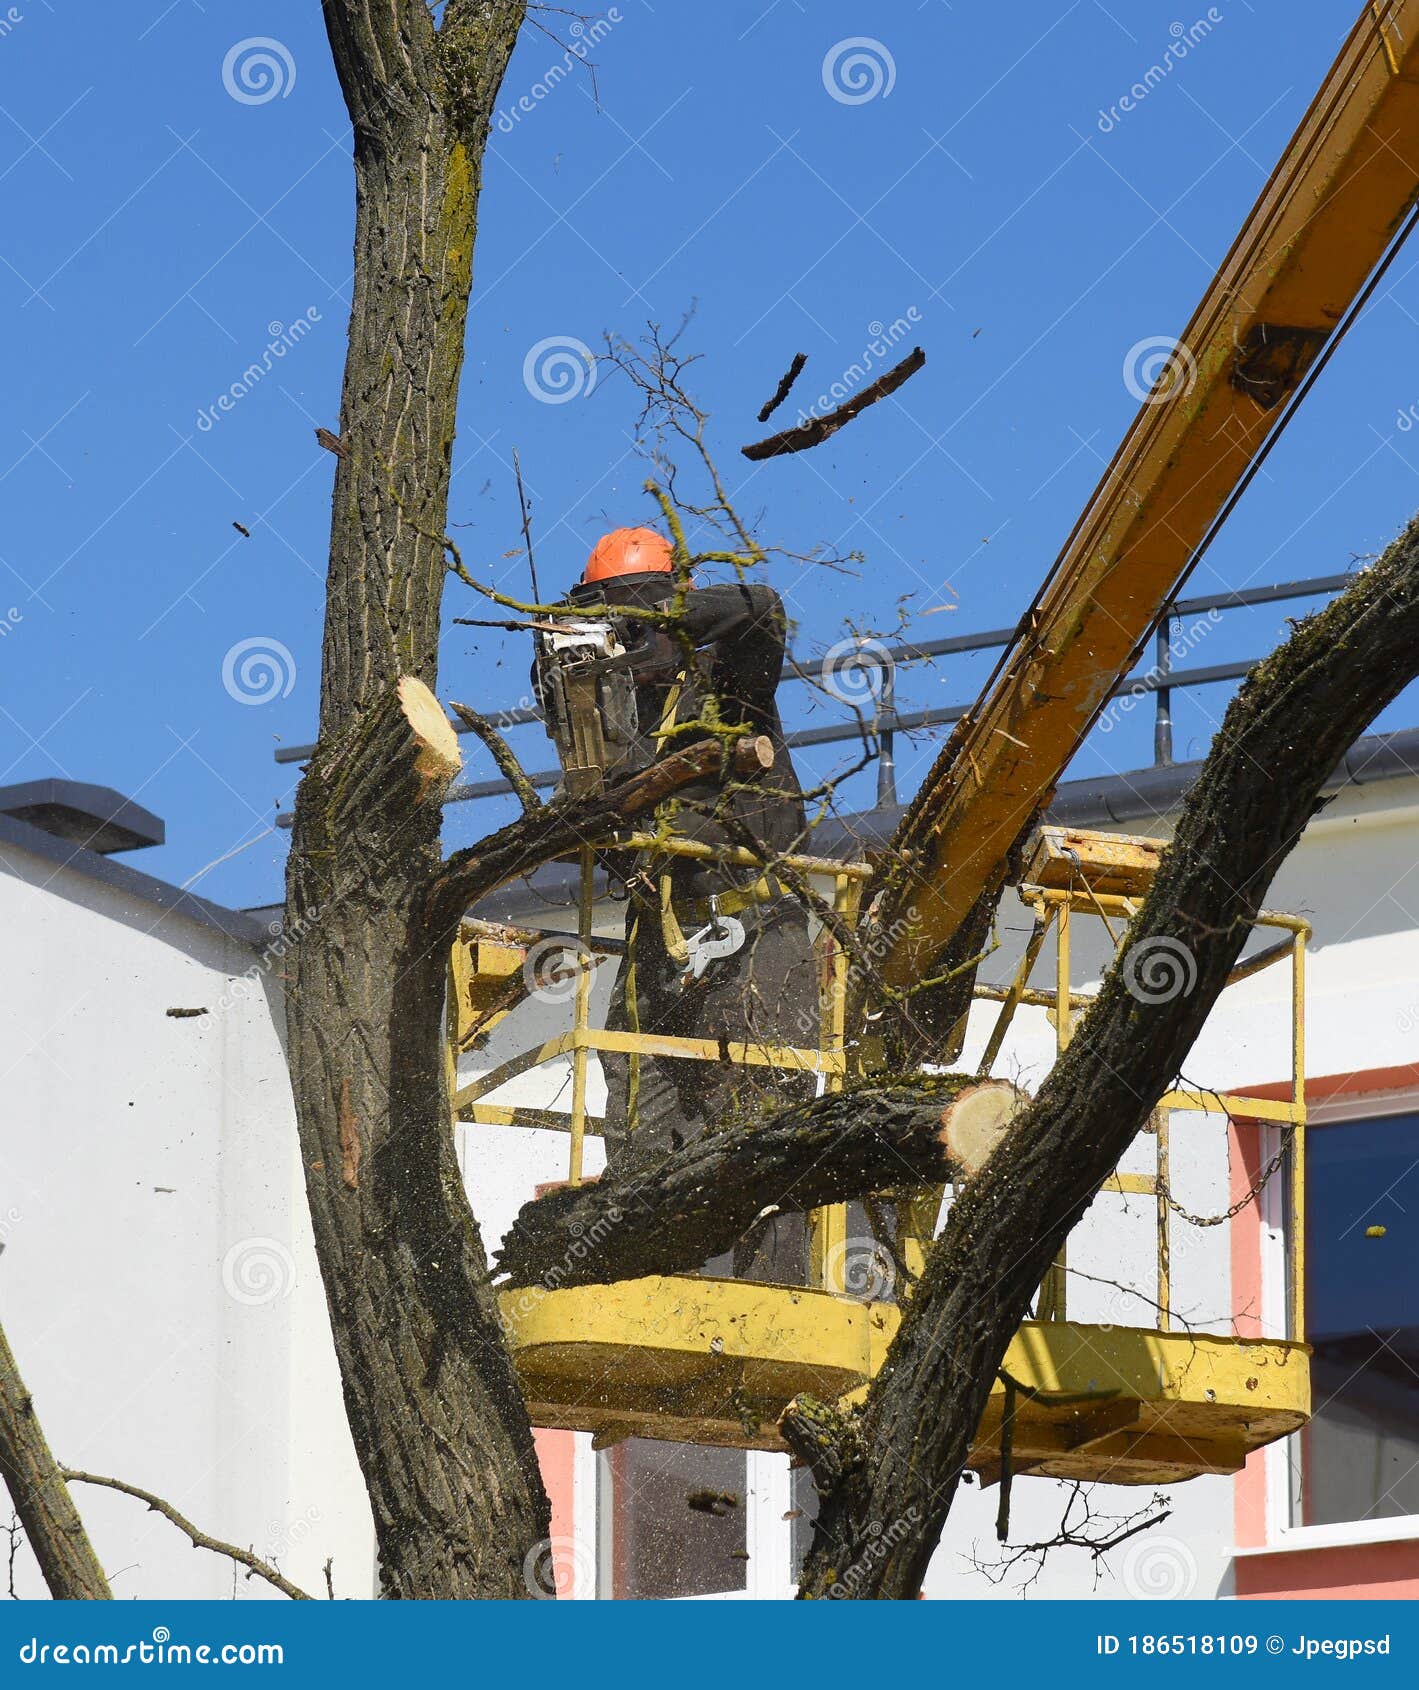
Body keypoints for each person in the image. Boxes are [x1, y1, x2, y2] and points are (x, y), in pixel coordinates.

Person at [561, 526, 818, 1282]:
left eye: (635, 609)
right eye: (608, 612)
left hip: (756, 927)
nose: (621, 633)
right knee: (637, 1108)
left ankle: (774, 1296)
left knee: (761, 1118)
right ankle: (647, 1280)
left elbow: (761, 608)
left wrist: (662, 624)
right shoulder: (614, 721)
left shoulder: (729, 684)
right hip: (660, 937)